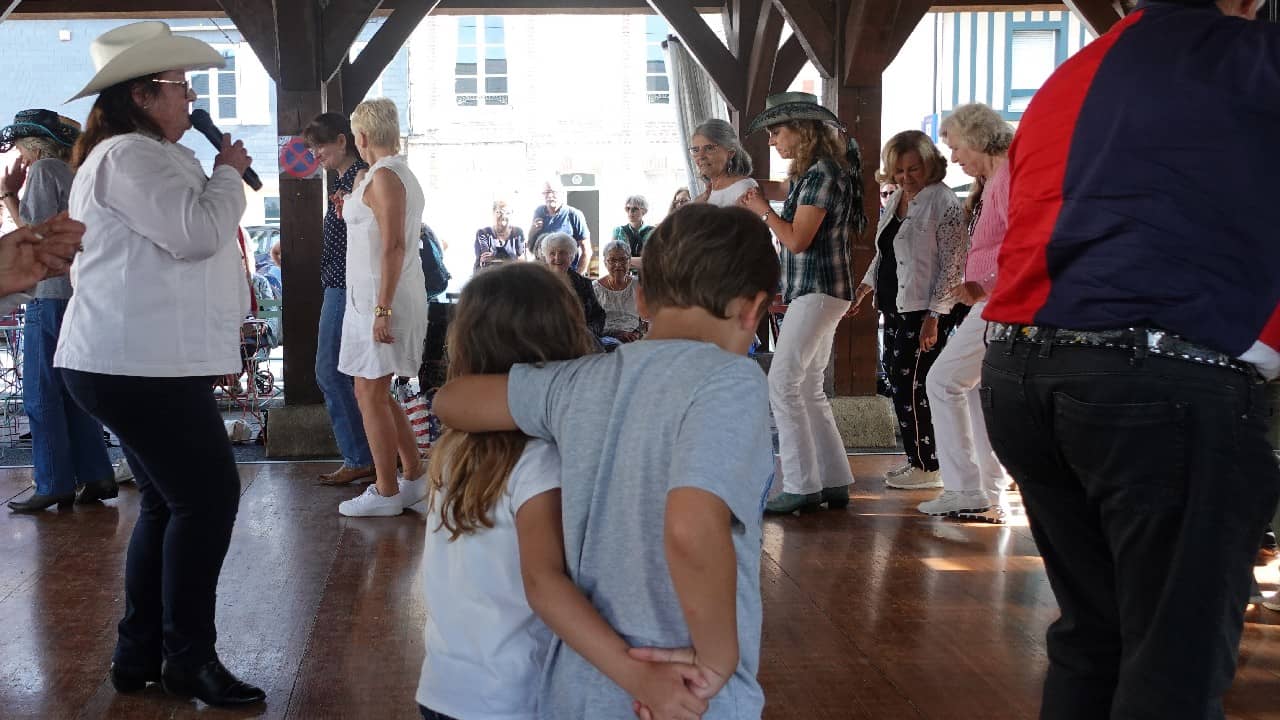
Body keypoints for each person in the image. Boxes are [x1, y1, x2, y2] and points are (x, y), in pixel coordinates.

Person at [980, 1, 1280, 718]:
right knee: (1172, 661)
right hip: (1154, 380)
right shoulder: (1250, 57)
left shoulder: (1073, 72)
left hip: (1025, 370)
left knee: (1095, 639)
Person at [432, 203, 780, 719]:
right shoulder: (732, 380)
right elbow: (689, 526)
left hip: (580, 685)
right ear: (755, 309)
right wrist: (719, 656)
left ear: (640, 299)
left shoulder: (580, 381)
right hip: (688, 692)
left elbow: (450, 400)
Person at [53, 21, 265, 706]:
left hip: (139, 360)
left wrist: (218, 175)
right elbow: (196, 234)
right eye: (180, 88)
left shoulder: (142, 154)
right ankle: (188, 659)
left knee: (171, 507)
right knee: (206, 500)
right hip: (136, 363)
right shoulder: (129, 158)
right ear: (143, 95)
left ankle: (139, 653)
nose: (191, 99)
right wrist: (229, 173)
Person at [418, 262, 707, 720]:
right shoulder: (541, 461)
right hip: (517, 698)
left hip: (443, 689)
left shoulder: (453, 452)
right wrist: (641, 678)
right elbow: (543, 582)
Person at [737, 92, 863, 515]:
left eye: (777, 131)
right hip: (827, 291)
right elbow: (780, 190)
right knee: (808, 387)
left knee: (783, 384)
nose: (773, 140)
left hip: (818, 289)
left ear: (802, 131)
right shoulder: (820, 172)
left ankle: (800, 485)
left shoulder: (823, 175)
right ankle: (832, 481)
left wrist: (761, 210)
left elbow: (797, 239)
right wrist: (746, 187)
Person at [0, 109, 115, 513]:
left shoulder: (45, 172)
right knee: (71, 389)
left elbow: (34, 235)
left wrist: (8, 195)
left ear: (32, 146)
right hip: (74, 292)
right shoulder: (71, 173)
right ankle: (95, 472)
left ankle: (53, 481)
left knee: (42, 391)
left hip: (48, 294)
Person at [854, 130, 966, 491]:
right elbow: (885, 252)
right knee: (899, 384)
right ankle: (916, 458)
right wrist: (865, 286)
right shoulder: (898, 198)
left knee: (913, 385)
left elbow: (952, 265)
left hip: (923, 311)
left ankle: (930, 465)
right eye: (898, 171)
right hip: (895, 306)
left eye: (913, 169)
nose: (905, 177)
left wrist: (935, 316)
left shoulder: (942, 201)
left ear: (930, 164)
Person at [916, 104, 1013, 523]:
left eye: (955, 147)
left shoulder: (1007, 176)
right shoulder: (998, 177)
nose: (953, 157)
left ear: (976, 137)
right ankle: (987, 491)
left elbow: (1023, 243)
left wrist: (982, 285)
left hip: (1002, 301)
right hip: (995, 300)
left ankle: (965, 488)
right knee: (972, 389)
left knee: (942, 381)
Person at [335, 98, 430, 518]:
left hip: (381, 298)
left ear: (363, 136)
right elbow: (376, 230)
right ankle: (412, 475)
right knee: (376, 389)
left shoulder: (386, 176)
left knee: (368, 392)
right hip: (370, 298)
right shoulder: (382, 176)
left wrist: (382, 310)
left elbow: (394, 245)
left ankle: (386, 488)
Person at [304, 112, 375, 487]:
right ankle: (369, 455)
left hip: (346, 286)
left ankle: (361, 456)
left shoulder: (360, 179)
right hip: (341, 283)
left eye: (321, 145)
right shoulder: (346, 181)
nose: (316, 153)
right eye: (312, 147)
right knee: (352, 375)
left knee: (331, 371)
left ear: (344, 141)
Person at [540, 231, 605, 339]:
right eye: (552, 253)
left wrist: (587, 333)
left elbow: (598, 315)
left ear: (571, 256)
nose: (557, 258)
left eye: (562, 253)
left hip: (581, 340)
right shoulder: (537, 284)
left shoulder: (584, 283)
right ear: (546, 257)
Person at [528, 177, 591, 275]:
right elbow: (531, 248)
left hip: (567, 274)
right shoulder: (539, 211)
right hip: (543, 275)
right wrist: (532, 230)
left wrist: (577, 276)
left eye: (553, 192)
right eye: (546, 192)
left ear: (561, 192)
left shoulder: (574, 214)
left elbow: (586, 250)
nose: (549, 196)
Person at [690, 118, 757, 208]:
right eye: (695, 150)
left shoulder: (744, 188)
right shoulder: (704, 196)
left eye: (709, 148)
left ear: (730, 153)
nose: (701, 156)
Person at [593, 240, 643, 344]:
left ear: (629, 261)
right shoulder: (594, 288)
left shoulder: (638, 285)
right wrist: (617, 334)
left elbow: (648, 317)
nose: (618, 264)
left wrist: (638, 333)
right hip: (605, 339)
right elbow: (590, 325)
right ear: (605, 263)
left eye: (623, 260)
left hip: (634, 338)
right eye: (612, 260)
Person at [474, 199, 525, 269]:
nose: (503, 216)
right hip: (488, 276)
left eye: (507, 213)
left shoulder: (518, 233)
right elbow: (485, 260)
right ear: (493, 213)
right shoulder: (483, 233)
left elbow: (522, 260)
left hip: (512, 275)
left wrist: (495, 257)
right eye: (499, 212)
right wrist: (512, 259)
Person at [611, 194, 653, 262]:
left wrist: (624, 260)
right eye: (628, 209)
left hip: (646, 272)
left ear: (644, 211)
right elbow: (612, 258)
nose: (630, 212)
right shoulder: (618, 231)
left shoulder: (652, 232)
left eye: (635, 209)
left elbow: (652, 260)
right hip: (623, 272)